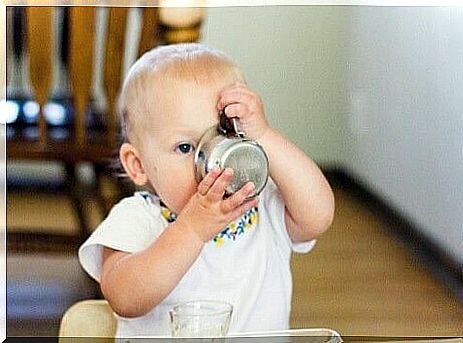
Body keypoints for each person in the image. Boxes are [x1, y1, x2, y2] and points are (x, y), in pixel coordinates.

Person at [78, 43, 335, 338]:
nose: (212, 162)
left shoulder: (258, 207)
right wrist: (191, 230)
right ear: (138, 165)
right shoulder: (138, 219)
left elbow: (319, 216)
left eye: (225, 136)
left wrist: (263, 134)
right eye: (185, 147)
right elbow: (124, 298)